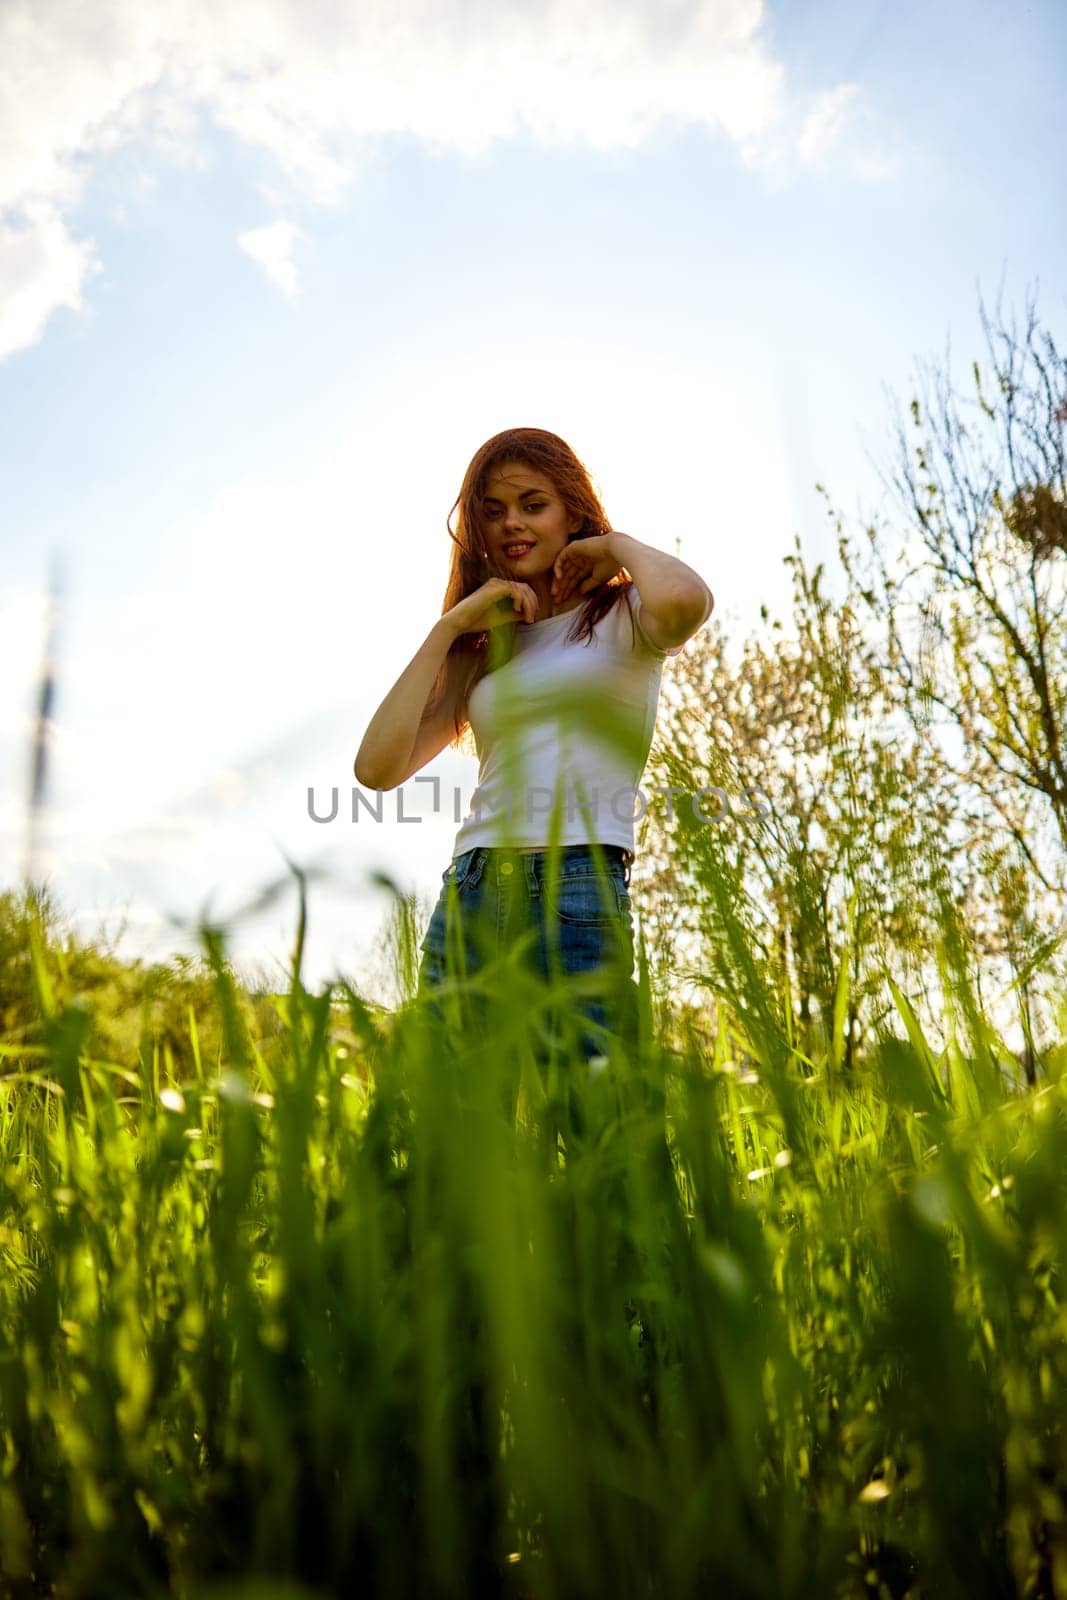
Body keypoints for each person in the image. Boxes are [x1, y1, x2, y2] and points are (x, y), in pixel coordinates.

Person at [354, 427, 714, 1128]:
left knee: (602, 1130)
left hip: (579, 885)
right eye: (492, 510)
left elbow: (687, 601)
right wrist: (448, 630)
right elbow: (375, 767)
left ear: (571, 510)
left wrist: (613, 547)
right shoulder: (486, 647)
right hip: (474, 892)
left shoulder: (624, 616)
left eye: (532, 503)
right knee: (443, 1134)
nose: (511, 522)